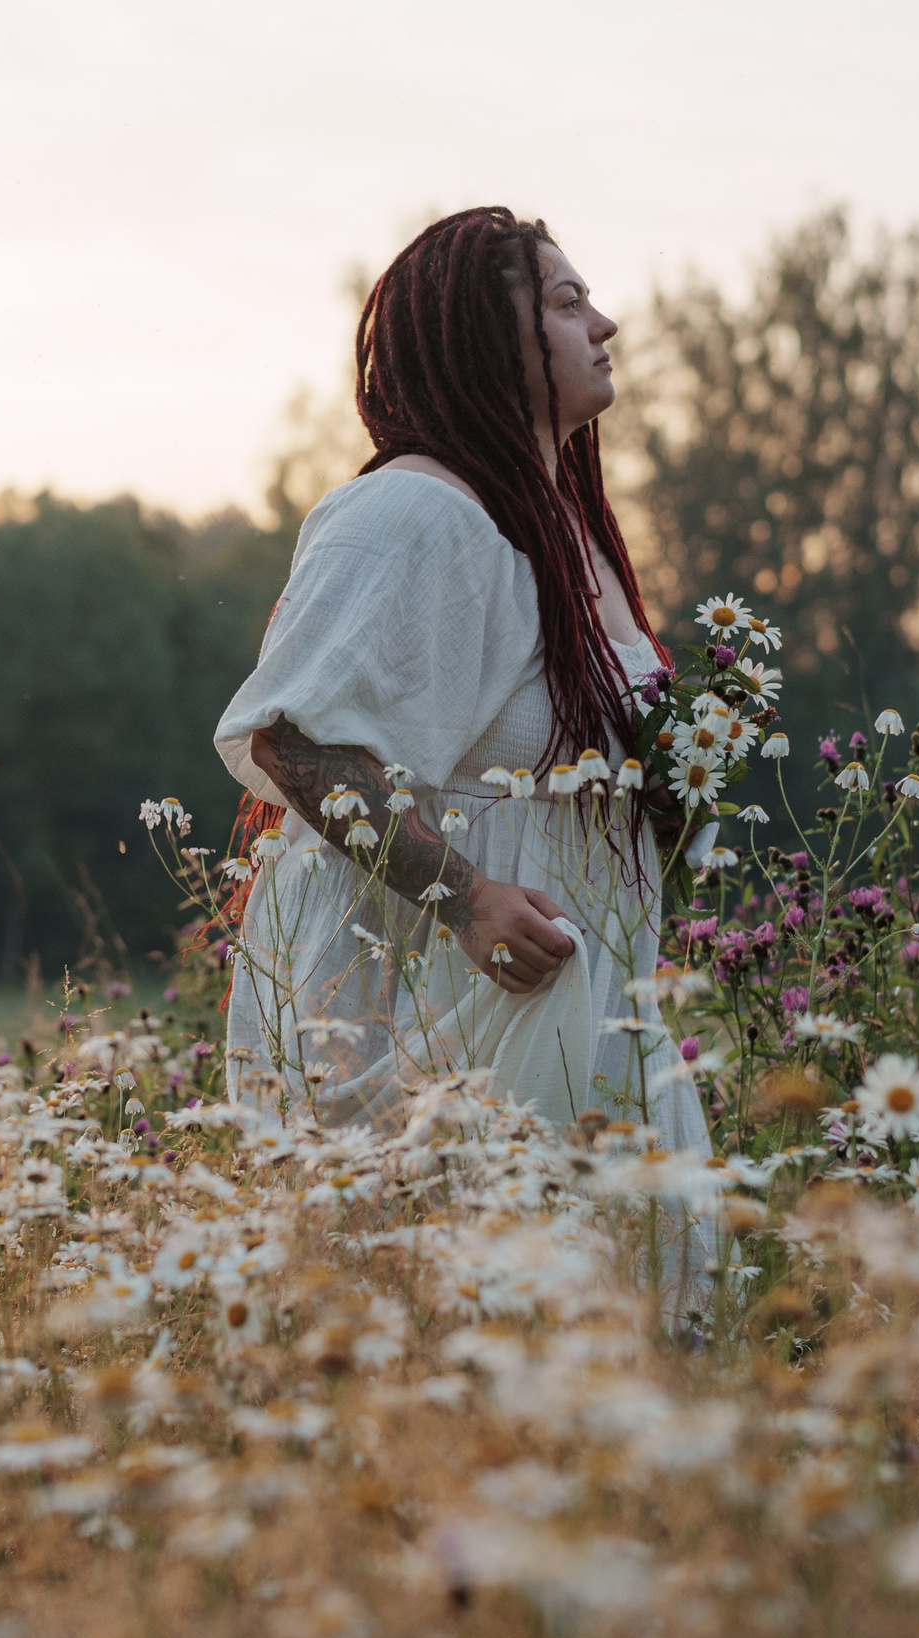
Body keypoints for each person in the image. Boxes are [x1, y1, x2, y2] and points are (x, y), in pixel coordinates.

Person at [212, 207, 704, 1151]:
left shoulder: (569, 533)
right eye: (568, 303)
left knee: (636, 1282)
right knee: (448, 1286)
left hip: (586, 1005)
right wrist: (469, 899)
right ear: (487, 340)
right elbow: (297, 740)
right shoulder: (411, 511)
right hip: (433, 1022)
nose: (605, 326)